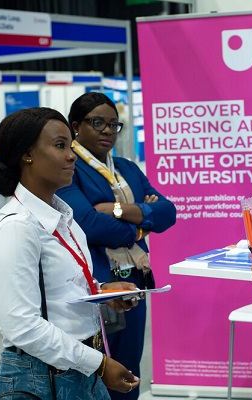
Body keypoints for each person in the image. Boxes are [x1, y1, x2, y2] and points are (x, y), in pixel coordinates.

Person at [0, 107, 141, 399]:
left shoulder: (63, 217)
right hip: (40, 374)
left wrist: (102, 290)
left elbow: (57, 289)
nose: (71, 156)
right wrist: (99, 365)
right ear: (27, 154)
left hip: (76, 362)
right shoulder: (17, 227)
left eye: (70, 146)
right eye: (60, 146)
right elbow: (21, 325)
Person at [57, 92, 177, 400]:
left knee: (128, 367)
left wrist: (119, 209)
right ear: (75, 126)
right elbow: (88, 223)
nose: (108, 131)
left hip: (135, 279)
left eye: (114, 124)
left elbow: (167, 213)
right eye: (97, 123)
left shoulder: (127, 167)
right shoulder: (69, 169)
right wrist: (140, 225)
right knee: (94, 368)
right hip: (96, 282)